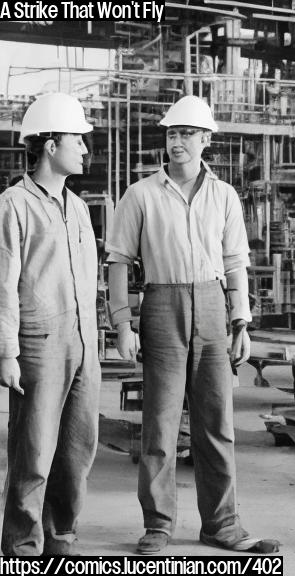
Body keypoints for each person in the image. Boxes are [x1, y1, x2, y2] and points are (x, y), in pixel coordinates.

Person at [106, 95, 279, 555]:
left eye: (186, 133)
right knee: (159, 424)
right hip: (161, 305)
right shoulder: (140, 194)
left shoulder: (224, 196)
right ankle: (158, 525)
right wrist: (123, 324)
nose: (176, 141)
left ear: (205, 139)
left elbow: (236, 262)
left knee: (216, 422)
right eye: (171, 133)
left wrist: (242, 322)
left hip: (212, 305)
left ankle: (222, 525)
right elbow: (119, 263)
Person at [0, 93, 99, 556]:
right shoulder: (12, 206)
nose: (84, 149)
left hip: (83, 341)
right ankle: (23, 540)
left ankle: (60, 533)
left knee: (78, 448)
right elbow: (3, 283)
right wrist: (7, 352)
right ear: (49, 145)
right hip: (39, 341)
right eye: (77, 139)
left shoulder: (78, 208)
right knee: (34, 448)